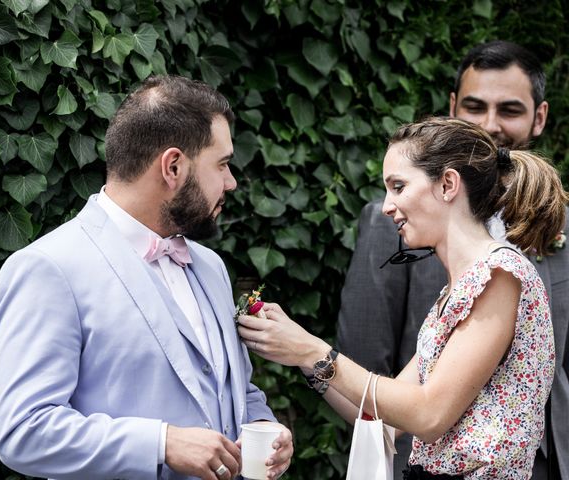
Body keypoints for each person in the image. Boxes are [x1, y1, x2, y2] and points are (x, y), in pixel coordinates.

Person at [0, 75, 293, 480]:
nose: (231, 181)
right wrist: (160, 442)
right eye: (222, 164)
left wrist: (260, 425)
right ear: (173, 166)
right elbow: (24, 431)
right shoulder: (49, 269)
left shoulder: (210, 267)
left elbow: (231, 390)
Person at [237, 116, 568, 479]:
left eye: (398, 186)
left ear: (447, 185)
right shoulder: (458, 291)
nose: (386, 206)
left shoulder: (500, 274)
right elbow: (380, 416)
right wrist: (298, 351)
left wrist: (313, 351)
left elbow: (428, 415)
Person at [336, 40, 569, 480]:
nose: (490, 124)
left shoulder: (562, 229)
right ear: (451, 108)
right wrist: (311, 359)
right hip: (423, 459)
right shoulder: (393, 225)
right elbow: (366, 365)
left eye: (510, 110)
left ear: (539, 117)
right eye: (475, 106)